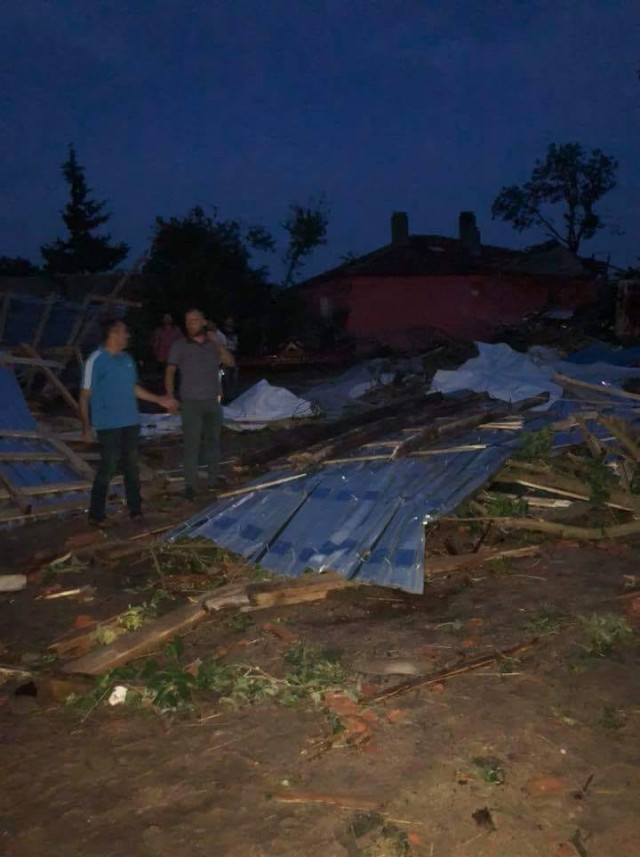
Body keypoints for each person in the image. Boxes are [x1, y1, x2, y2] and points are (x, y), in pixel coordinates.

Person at [80, 318, 177, 527]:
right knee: (108, 467)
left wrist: (160, 399)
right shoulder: (96, 360)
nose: (127, 336)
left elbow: (133, 388)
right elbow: (84, 396)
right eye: (124, 332)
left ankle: (136, 510)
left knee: (131, 468)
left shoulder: (127, 360)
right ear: (113, 334)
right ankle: (96, 515)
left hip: (130, 421)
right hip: (108, 424)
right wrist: (86, 427)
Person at [165, 308, 236, 500]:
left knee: (213, 442)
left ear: (204, 322)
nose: (190, 324)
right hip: (190, 403)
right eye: (187, 321)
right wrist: (170, 396)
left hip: (212, 401)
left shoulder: (214, 345)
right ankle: (190, 485)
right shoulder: (179, 345)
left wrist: (217, 343)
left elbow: (230, 363)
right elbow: (170, 371)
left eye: (194, 320)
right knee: (191, 445)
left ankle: (213, 480)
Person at [222, 316, 239, 402]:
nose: (230, 323)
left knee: (234, 378)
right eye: (229, 321)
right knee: (226, 378)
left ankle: (232, 396)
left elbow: (236, 345)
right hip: (225, 358)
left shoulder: (234, 333)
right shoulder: (223, 333)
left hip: (234, 356)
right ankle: (225, 397)